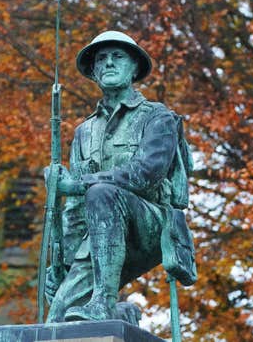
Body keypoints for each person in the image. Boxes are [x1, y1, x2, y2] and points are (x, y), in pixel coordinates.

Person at [45, 31, 181, 323]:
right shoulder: (84, 132)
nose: (108, 63)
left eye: (117, 56)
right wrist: (64, 264)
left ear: (134, 68)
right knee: (58, 316)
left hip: (151, 225)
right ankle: (119, 312)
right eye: (101, 59)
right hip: (100, 229)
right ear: (94, 72)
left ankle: (104, 302)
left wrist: (78, 185)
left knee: (101, 192)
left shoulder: (157, 117)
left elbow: (147, 174)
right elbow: (76, 210)